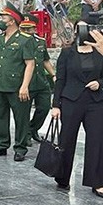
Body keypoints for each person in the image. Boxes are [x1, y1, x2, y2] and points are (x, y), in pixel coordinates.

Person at [51, 24, 103, 194]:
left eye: (85, 28)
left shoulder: (100, 52)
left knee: (97, 140)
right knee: (66, 139)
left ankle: (96, 182)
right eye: (78, 28)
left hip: (95, 102)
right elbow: (60, 80)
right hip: (71, 101)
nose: (82, 31)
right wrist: (55, 105)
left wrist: (99, 84)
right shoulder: (67, 53)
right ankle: (62, 177)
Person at [0, 2, 36, 162]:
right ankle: (1, 145)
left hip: (16, 86)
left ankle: (20, 148)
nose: (1, 19)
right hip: (0, 84)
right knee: (0, 116)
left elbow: (30, 63)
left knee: (21, 118)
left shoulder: (24, 40)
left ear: (12, 20)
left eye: (4, 17)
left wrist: (25, 86)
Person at [21, 14, 55, 144]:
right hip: (26, 83)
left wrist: (53, 75)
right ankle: (25, 135)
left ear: (34, 29)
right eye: (24, 29)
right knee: (24, 112)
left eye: (29, 29)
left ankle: (33, 129)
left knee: (44, 108)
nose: (26, 32)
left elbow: (45, 60)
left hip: (41, 81)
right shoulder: (19, 42)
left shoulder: (40, 42)